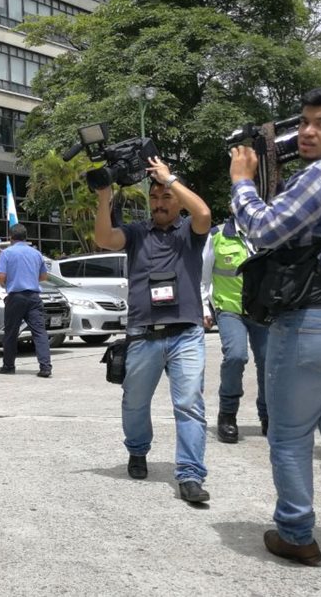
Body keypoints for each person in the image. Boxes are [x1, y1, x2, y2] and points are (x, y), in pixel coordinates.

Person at [229, 87, 321, 589]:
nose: (308, 132)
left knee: (290, 438)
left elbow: (264, 230)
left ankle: (295, 533)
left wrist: (242, 183)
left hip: (313, 322)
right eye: (306, 122)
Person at [93, 155, 213, 504]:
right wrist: (104, 196)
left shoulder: (190, 232)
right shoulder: (136, 233)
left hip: (185, 333)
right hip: (143, 333)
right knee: (135, 402)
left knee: (189, 403)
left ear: (177, 198)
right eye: (155, 197)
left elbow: (204, 214)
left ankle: (190, 475)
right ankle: (137, 449)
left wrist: (169, 178)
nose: (160, 203)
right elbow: (103, 238)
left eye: (166, 197)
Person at [199, 218, 269, 442]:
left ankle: (269, 416)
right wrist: (204, 307)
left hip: (262, 311)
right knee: (236, 355)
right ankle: (227, 414)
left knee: (268, 361)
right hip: (229, 308)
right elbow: (202, 275)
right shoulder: (217, 235)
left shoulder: (269, 231)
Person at [0, 224, 53, 378]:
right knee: (39, 332)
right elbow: (44, 277)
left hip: (16, 297)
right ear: (26, 237)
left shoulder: (6, 253)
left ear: (10, 237)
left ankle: (8, 366)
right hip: (34, 297)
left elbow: (1, 277)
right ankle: (45, 367)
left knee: (11, 333)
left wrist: (7, 285)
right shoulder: (36, 253)